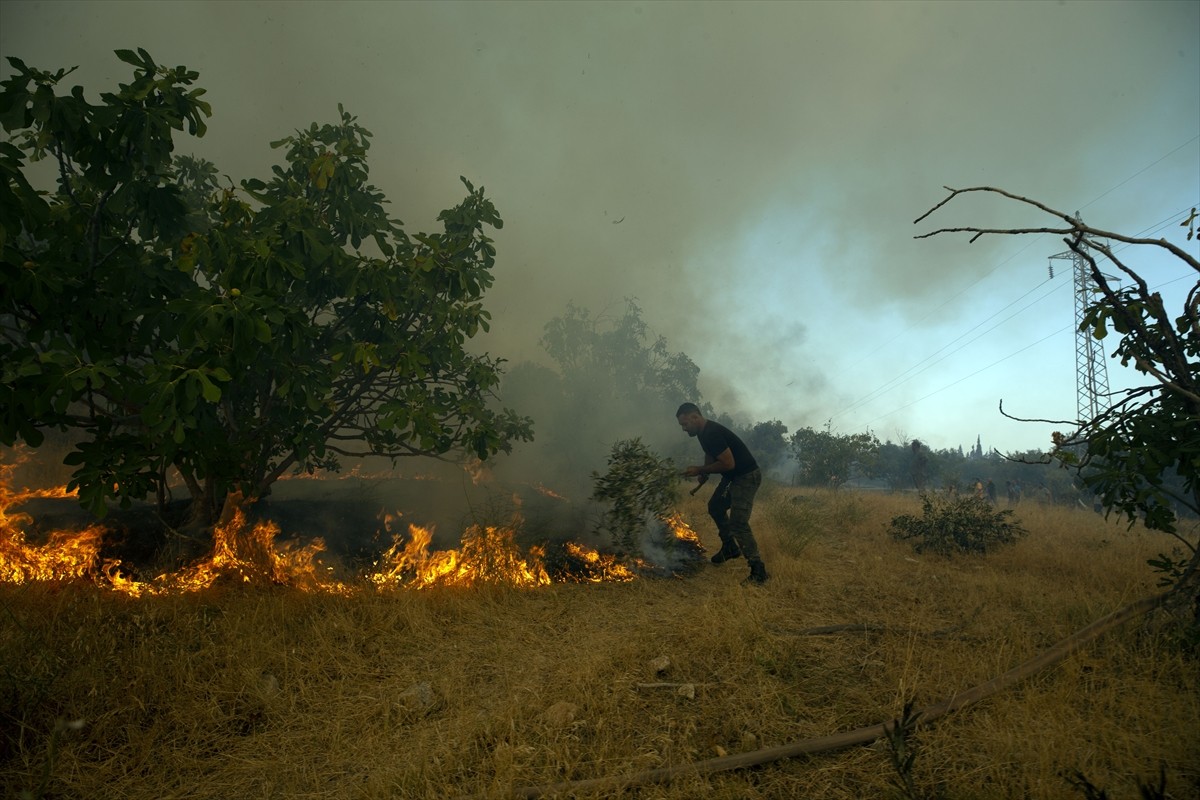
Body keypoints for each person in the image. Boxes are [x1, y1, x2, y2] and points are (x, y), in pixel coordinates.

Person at [675, 403, 768, 585]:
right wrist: (704, 473)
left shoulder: (712, 433)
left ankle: (759, 571)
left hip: (745, 476)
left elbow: (728, 464)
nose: (684, 429)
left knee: (738, 522)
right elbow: (710, 454)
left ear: (695, 417)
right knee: (716, 507)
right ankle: (730, 547)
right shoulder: (702, 433)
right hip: (733, 477)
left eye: (685, 424)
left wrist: (699, 469)